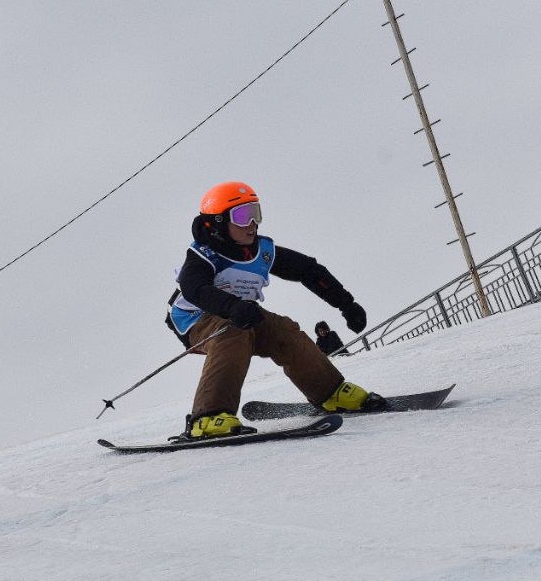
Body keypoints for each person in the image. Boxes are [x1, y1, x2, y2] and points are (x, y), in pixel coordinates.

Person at [165, 181, 385, 439]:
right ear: (218, 222)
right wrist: (231, 306)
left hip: (241, 313)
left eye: (255, 213)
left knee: (284, 331)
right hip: (195, 319)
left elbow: (309, 271)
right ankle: (208, 417)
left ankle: (330, 392)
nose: (252, 224)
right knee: (233, 333)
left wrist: (346, 304)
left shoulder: (262, 251)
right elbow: (194, 288)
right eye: (242, 216)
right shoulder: (204, 255)